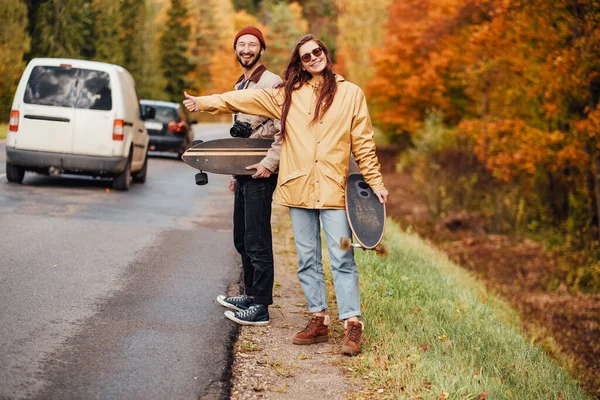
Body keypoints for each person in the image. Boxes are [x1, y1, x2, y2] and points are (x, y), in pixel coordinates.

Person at [184, 34, 389, 356]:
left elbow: (363, 142)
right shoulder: (288, 95)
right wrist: (204, 102)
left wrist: (375, 183)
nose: (313, 58)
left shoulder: (351, 94)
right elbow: (243, 101)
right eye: (305, 56)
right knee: (307, 260)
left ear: (325, 53)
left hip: (335, 190)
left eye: (316, 52)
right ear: (300, 63)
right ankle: (317, 319)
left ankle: (352, 324)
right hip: (298, 188)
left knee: (342, 258)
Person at [215, 26, 283, 326]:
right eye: (241, 44)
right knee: (242, 237)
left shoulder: (273, 83)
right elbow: (242, 137)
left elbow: (284, 132)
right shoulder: (241, 84)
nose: (246, 49)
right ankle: (250, 294)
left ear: (261, 49)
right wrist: (234, 172)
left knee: (258, 238)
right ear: (235, 50)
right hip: (245, 172)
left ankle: (261, 306)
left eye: (251, 44)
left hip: (262, 171)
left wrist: (269, 164)